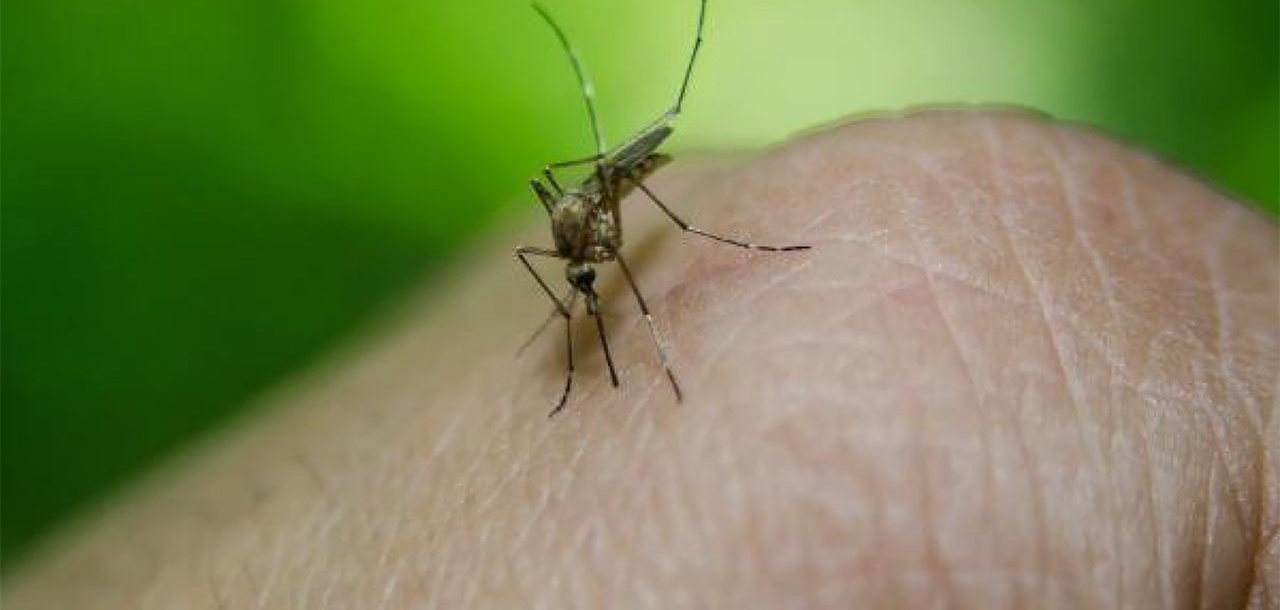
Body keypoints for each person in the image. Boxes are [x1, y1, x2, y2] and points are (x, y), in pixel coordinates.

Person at [5, 110, 1275, 609]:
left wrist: (630, 249)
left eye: (582, 260)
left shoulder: (602, 217)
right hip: (583, 205)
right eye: (576, 267)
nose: (580, 269)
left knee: (637, 227)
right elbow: (559, 249)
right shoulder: (562, 252)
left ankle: (711, 238)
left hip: (615, 181)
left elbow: (598, 221)